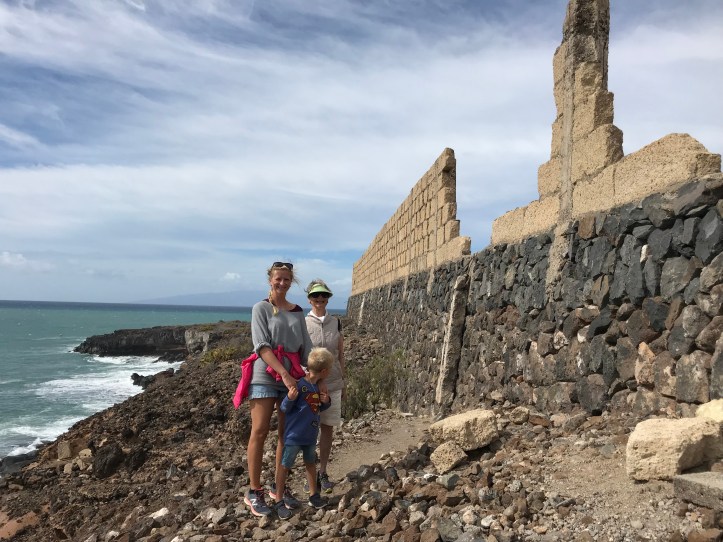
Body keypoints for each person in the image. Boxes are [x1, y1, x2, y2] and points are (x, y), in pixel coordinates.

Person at [243, 262, 314, 517]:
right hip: (265, 374)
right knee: (260, 430)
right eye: (278, 279)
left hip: (291, 377)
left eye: (286, 279)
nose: (282, 283)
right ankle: (254, 491)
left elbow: (306, 348)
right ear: (270, 280)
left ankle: (279, 488)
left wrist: (317, 374)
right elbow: (261, 346)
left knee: (286, 434)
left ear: (291, 282)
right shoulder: (260, 308)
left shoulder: (297, 312)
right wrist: (283, 373)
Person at [273, 347, 333, 518]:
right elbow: (284, 408)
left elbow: (318, 408)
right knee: (285, 466)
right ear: (324, 371)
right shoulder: (299, 385)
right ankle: (278, 500)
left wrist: (326, 401)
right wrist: (289, 398)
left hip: (310, 435)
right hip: (294, 436)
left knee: (310, 463)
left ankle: (313, 496)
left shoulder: (317, 388)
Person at [304, 279, 345, 494]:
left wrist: (343, 382)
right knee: (309, 430)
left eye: (324, 295)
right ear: (309, 299)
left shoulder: (336, 322)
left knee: (327, 428)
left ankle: (323, 471)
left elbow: (340, 354)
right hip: (311, 386)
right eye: (315, 296)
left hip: (334, 383)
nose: (319, 299)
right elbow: (301, 355)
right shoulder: (303, 323)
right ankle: (310, 476)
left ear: (328, 298)